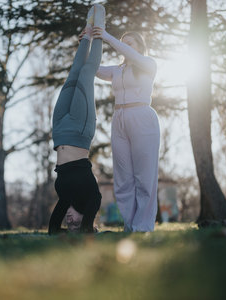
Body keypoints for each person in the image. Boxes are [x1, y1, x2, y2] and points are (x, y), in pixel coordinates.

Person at [90, 26, 160, 232]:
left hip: (142, 117)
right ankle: (130, 225)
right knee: (123, 178)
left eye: (130, 43)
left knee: (144, 177)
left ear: (140, 46)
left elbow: (127, 52)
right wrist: (86, 42)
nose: (125, 47)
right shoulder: (117, 70)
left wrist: (106, 36)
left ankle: (143, 226)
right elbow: (93, 67)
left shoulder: (148, 64)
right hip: (119, 119)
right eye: (124, 42)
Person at [48, 4, 105, 234]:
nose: (69, 221)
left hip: (60, 128)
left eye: (68, 223)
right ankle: (99, 30)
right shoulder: (90, 196)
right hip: (80, 130)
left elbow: (53, 231)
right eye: (75, 222)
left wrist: (64, 230)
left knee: (74, 73)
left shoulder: (64, 196)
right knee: (86, 73)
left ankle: (86, 35)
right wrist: (87, 227)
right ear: (86, 218)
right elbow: (94, 207)